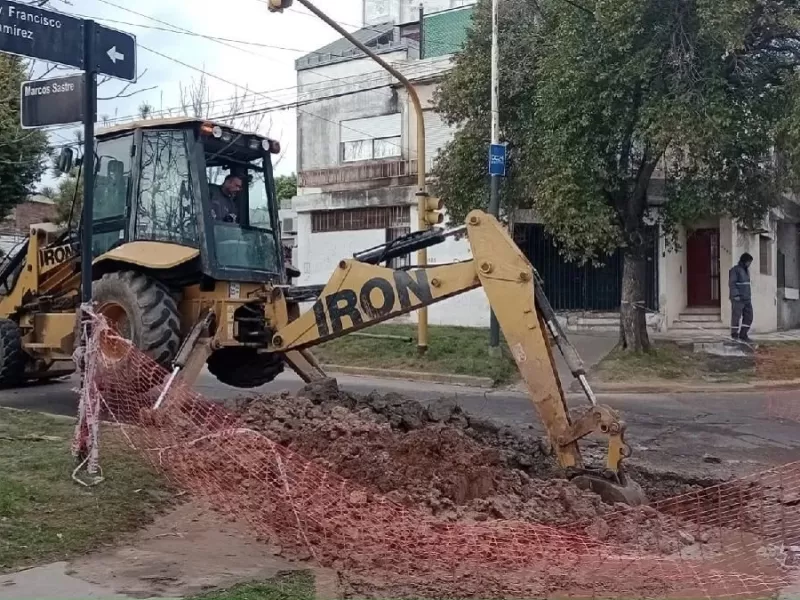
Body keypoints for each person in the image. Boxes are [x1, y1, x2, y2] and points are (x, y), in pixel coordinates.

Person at [729, 252, 753, 342]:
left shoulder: (746, 271)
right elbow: (732, 283)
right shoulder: (735, 270)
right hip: (738, 298)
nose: (749, 264)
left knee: (749, 316)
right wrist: (735, 295)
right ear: (744, 261)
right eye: (749, 262)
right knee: (736, 316)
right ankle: (734, 334)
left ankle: (743, 334)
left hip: (747, 298)